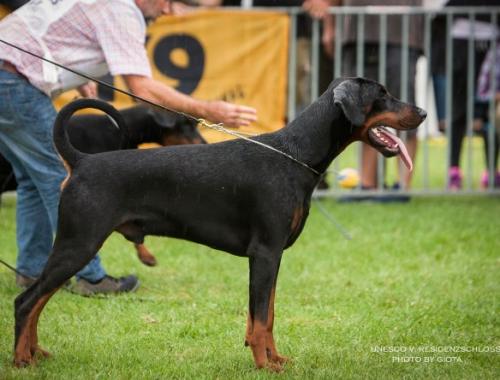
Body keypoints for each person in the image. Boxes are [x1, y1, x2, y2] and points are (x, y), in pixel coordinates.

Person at [0, 0, 257, 295]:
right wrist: (206, 110)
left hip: (7, 72)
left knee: (33, 179)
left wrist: (77, 76)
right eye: (172, 3)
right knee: (60, 176)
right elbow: (143, 90)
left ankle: (31, 270)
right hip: (13, 80)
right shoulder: (122, 10)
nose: (169, 13)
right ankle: (91, 277)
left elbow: (58, 31)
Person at [331, 0, 423, 193]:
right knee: (363, 114)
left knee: (404, 110)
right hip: (358, 34)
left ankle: (403, 187)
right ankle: (367, 184)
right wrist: (329, 25)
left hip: (402, 33)